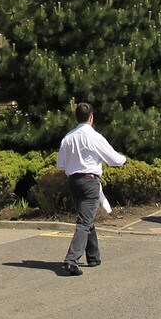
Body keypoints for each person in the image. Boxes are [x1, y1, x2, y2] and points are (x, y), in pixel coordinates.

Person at [55, 100, 126, 276]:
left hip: (73, 181)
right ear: (91, 118)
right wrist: (124, 159)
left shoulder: (68, 137)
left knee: (86, 217)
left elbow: (60, 164)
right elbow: (114, 159)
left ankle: (93, 256)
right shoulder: (94, 137)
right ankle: (71, 259)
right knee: (84, 221)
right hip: (89, 181)